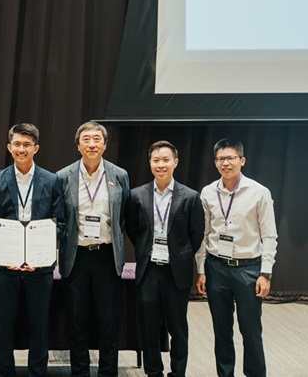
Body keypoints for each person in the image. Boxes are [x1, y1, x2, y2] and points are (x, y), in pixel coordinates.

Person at [0, 123, 64, 377]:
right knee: (4, 325)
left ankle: (37, 371)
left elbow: (60, 222)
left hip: (40, 267)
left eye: (27, 144)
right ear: (9, 147)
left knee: (39, 325)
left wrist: (40, 254)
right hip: (6, 266)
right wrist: (8, 250)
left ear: (36, 148)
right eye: (16, 144)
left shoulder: (51, 180)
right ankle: (5, 371)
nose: (21, 149)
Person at [195, 138, 277, 377]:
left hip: (248, 270)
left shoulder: (259, 192)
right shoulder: (208, 192)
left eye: (231, 158)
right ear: (215, 162)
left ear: (242, 160)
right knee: (221, 331)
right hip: (216, 267)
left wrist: (265, 273)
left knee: (251, 331)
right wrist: (201, 269)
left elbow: (270, 236)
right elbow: (204, 233)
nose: (225, 163)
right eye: (220, 159)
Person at [56, 121, 130, 377]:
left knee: (108, 323)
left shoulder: (119, 175)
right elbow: (59, 218)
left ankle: (108, 373)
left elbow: (124, 217)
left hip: (107, 257)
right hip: (76, 258)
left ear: (105, 145)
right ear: (78, 145)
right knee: (78, 323)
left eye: (97, 139)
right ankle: (80, 373)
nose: (91, 144)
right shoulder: (63, 176)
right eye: (86, 139)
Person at [125, 141, 204, 377]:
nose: (161, 165)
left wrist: (180, 255)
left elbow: (196, 234)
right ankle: (154, 372)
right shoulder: (136, 195)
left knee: (178, 329)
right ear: (150, 163)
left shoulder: (190, 197)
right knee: (149, 328)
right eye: (156, 160)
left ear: (175, 163)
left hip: (175, 272)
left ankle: (178, 372)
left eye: (166, 160)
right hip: (148, 270)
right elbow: (133, 228)